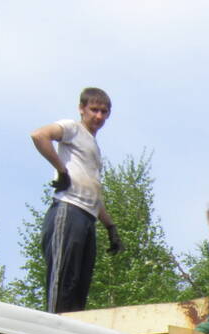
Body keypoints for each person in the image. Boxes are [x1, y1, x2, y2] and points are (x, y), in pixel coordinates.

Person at [30, 87, 122, 313]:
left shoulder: (94, 147)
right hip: (68, 210)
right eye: (94, 110)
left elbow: (93, 194)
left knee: (78, 287)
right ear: (82, 109)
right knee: (62, 280)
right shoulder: (73, 128)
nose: (99, 116)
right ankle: (53, 332)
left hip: (88, 219)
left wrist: (110, 226)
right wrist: (61, 171)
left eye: (104, 112)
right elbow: (39, 135)